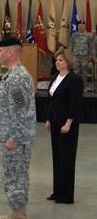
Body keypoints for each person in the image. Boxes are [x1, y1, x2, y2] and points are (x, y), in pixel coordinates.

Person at [0, 37, 37, 219]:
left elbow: (21, 112)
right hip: (15, 136)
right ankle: (20, 212)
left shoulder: (17, 78)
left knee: (14, 175)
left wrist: (13, 138)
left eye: (0, 51)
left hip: (15, 139)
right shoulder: (16, 74)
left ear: (10, 52)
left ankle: (16, 215)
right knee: (19, 174)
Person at [45, 48, 83, 204]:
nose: (57, 62)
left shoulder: (74, 79)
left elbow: (75, 103)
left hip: (66, 124)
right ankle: (57, 190)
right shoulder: (55, 77)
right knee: (57, 157)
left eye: (60, 60)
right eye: (56, 60)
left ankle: (66, 195)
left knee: (66, 158)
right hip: (54, 122)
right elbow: (52, 100)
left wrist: (68, 122)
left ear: (68, 62)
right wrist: (48, 119)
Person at [69, 20, 92, 92]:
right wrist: (70, 55)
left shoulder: (88, 35)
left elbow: (90, 46)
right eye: (79, 25)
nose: (81, 27)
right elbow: (71, 45)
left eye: (82, 25)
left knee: (84, 72)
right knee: (76, 72)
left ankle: (84, 86)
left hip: (84, 56)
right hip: (76, 56)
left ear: (84, 26)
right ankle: (76, 87)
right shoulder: (74, 35)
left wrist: (90, 56)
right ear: (78, 26)